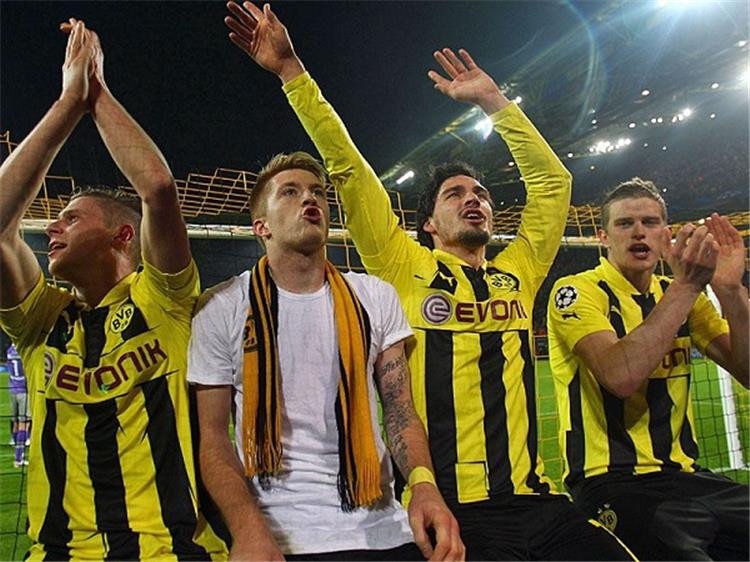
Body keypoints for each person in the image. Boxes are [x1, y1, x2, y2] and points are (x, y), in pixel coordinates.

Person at [222, 2, 634, 560]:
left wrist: (494, 102)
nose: (473, 199)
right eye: (454, 194)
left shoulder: (519, 272)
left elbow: (553, 184)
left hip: (537, 502)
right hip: (449, 508)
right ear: (429, 225)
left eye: (480, 193)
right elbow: (348, 169)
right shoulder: (402, 266)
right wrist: (293, 73)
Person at [0, 19, 227, 560]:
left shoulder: (163, 301)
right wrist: (66, 103)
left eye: (72, 218)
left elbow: (158, 188)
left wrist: (94, 92)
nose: (52, 227)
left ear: (122, 236)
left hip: (168, 551)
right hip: (58, 554)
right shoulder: (41, 320)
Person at [188, 152, 464, 561]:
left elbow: (400, 411)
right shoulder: (222, 305)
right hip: (279, 537)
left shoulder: (374, 296)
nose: (309, 198)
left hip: (381, 529)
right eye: (290, 192)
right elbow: (212, 439)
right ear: (261, 226)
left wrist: (424, 486)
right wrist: (247, 530)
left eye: (317, 191)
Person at [547, 177, 749, 561]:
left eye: (650, 222)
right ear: (603, 237)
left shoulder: (683, 296)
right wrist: (686, 287)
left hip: (688, 477)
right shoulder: (576, 291)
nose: (639, 231)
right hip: (612, 483)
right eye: (625, 223)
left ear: (665, 235)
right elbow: (620, 377)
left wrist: (730, 291)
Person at [7, 344, 30, 468]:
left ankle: (16, 449)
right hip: (23, 391)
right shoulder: (23, 349)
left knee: (15, 423)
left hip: (12, 391)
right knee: (24, 424)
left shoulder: (10, 351)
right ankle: (18, 458)